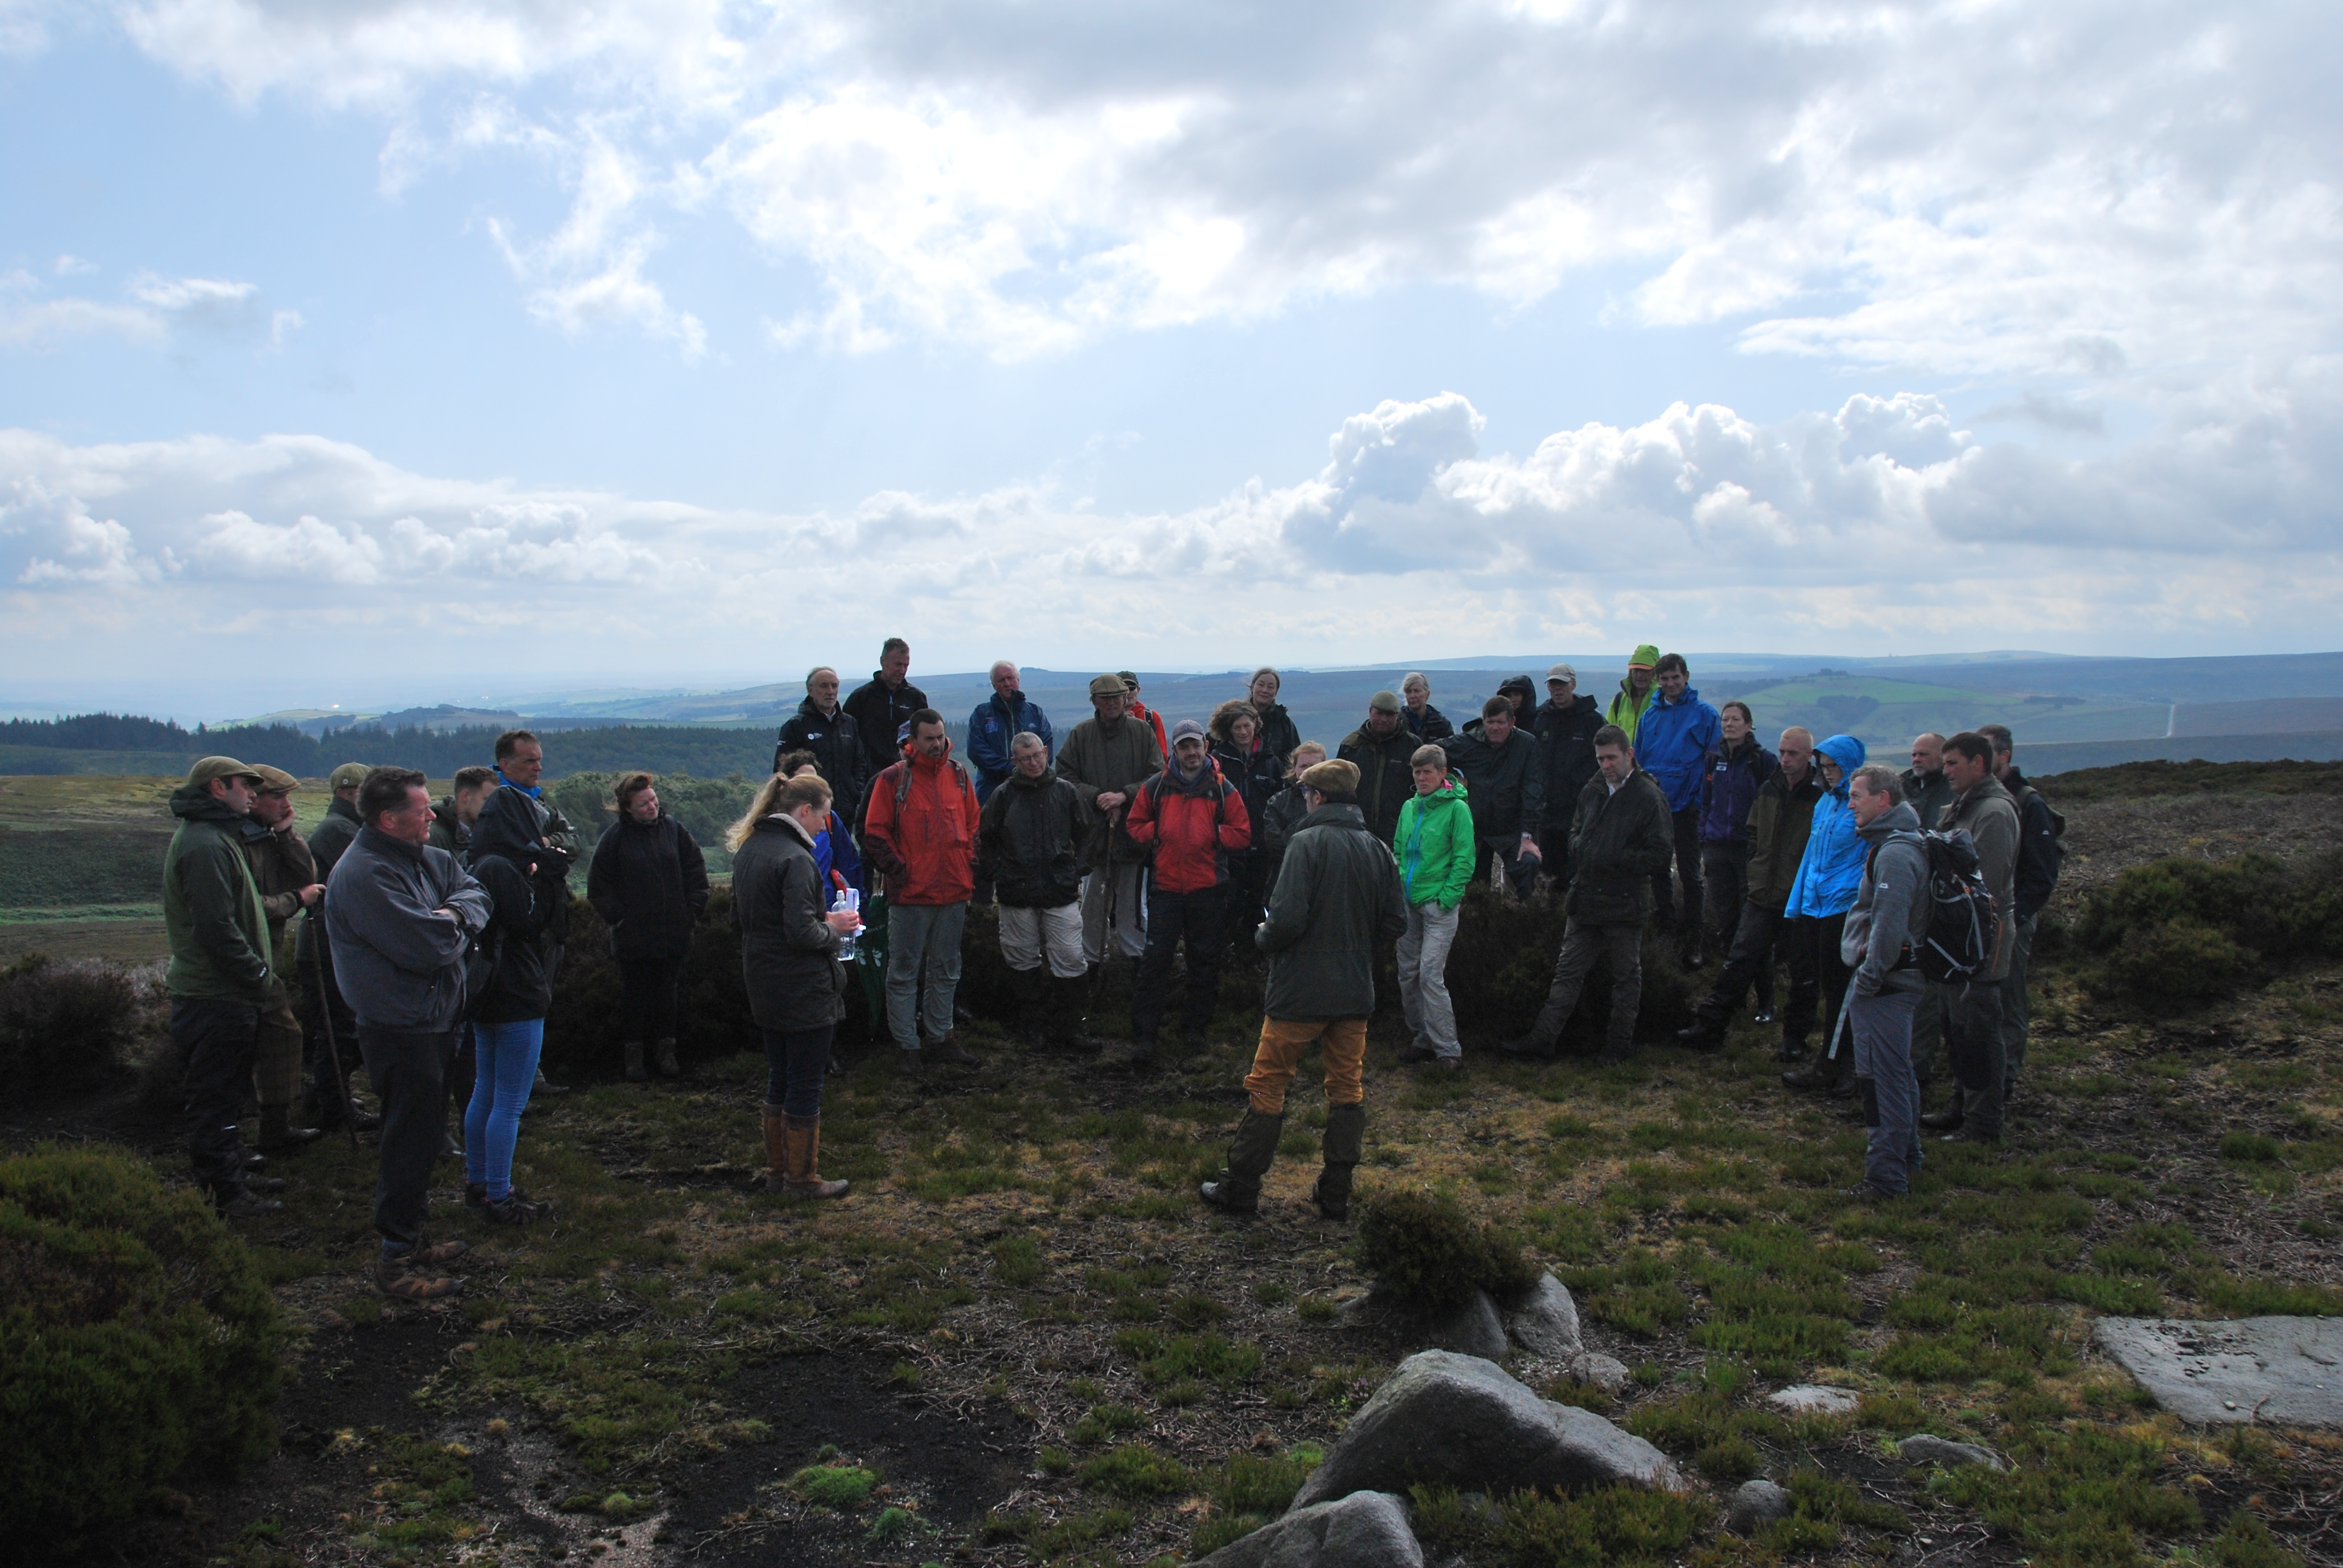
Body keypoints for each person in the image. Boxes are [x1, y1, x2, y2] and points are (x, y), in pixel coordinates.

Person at [1198, 760, 1406, 1220]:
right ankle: (1336, 1195)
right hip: (1354, 990)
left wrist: (1262, 937)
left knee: (1269, 1082)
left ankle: (1242, 1188)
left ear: (1317, 797)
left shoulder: (1305, 843)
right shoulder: (1377, 848)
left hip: (1299, 991)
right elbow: (1396, 921)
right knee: (1347, 1087)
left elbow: (1286, 920)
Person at [326, 766, 490, 1300]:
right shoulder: (368, 875)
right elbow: (429, 948)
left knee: (422, 1137)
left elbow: (474, 891)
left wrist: (455, 915)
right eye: (422, 811)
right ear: (388, 819)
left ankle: (411, 1240)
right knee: (409, 1140)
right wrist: (456, 924)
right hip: (402, 1028)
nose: (432, 817)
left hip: (433, 1021)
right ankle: (395, 1260)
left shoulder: (418, 856)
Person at [1498, 727, 1674, 1065]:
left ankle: (1618, 1047)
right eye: (1601, 759)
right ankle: (1543, 1040)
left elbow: (1660, 854)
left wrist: (1612, 859)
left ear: (1629, 755)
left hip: (1625, 901)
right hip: (1586, 898)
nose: (1606, 765)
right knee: (1567, 971)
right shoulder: (1593, 788)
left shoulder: (1649, 798)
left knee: (1626, 978)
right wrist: (1582, 848)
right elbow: (1576, 829)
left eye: (1611, 758)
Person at [730, 772, 863, 1197]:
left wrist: (816, 921)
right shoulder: (797, 859)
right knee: (806, 1081)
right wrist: (836, 927)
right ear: (805, 811)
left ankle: (776, 1171)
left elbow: (748, 920)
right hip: (802, 986)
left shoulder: (750, 849)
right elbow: (801, 934)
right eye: (824, 817)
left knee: (780, 1077)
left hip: (763, 980)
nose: (826, 826)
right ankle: (802, 1179)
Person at [163, 756, 283, 1218]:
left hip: (226, 995)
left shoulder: (216, 837)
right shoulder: (204, 845)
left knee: (228, 1093)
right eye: (244, 786)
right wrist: (255, 975)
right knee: (213, 1098)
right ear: (218, 788)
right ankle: (225, 1195)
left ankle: (231, 1174)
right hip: (214, 996)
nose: (253, 794)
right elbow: (215, 928)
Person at [459, 785, 566, 1224]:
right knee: (509, 1101)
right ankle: (499, 1196)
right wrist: (547, 878)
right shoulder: (504, 869)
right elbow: (529, 924)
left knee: (486, 1088)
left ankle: (479, 1183)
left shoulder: (480, 861)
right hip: (516, 990)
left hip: (486, 992)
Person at [1677, 728, 1821, 1051]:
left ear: (1809, 756)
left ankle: (1795, 1040)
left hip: (1800, 898)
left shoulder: (1819, 797)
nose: (1785, 759)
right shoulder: (1769, 788)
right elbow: (1754, 832)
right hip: (1763, 892)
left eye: (1793, 753)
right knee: (1738, 959)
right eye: (1783, 752)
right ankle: (1711, 1026)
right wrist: (1757, 869)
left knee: (1803, 973)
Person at [1127, 719, 1252, 1062]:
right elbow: (1134, 824)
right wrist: (1158, 835)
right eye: (1184, 746)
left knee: (1205, 963)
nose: (1191, 752)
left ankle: (1195, 1029)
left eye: (1196, 745)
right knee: (1155, 962)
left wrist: (1212, 836)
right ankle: (1144, 1036)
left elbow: (1242, 833)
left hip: (1208, 889)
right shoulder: (1156, 787)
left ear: (1206, 747)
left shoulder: (1224, 789)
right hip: (1165, 888)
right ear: (1176, 750)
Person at [862, 709, 981, 1070]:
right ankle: (907, 1046)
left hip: (954, 892)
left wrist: (968, 864)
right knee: (903, 971)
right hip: (912, 895)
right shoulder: (892, 780)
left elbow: (974, 826)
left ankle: (940, 1037)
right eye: (928, 738)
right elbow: (875, 833)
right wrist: (902, 871)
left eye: (940, 736)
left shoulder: (959, 776)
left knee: (946, 969)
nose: (936, 744)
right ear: (911, 741)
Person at [1919, 732, 2020, 1143]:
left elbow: (1986, 886)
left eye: (1953, 764)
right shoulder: (1966, 806)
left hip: (1981, 942)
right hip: (1959, 942)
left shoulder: (1993, 812)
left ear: (1979, 763)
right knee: (1957, 1028)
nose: (1946, 772)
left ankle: (1983, 1123)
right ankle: (1962, 1108)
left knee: (1978, 1031)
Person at [586, 771, 712, 1083]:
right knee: (635, 999)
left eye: (653, 799)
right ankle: (634, 1060)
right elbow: (598, 885)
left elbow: (696, 869)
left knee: (667, 996)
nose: (652, 807)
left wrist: (692, 910)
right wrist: (618, 918)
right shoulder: (614, 839)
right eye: (643, 804)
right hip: (634, 938)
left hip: (673, 934)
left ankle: (666, 1055)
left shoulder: (674, 830)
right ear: (627, 808)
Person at [1841, 765, 1930, 1199]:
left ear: (1885, 801)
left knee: (1882, 1079)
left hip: (1889, 984)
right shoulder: (1901, 846)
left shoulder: (1895, 853)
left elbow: (1889, 930)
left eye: (1857, 795)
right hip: (1896, 981)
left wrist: (1869, 979)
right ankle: (1908, 1157)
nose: (1851, 803)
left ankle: (1885, 1179)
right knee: (1897, 1073)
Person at [976, 731, 1092, 1045]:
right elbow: (985, 840)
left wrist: (1077, 870)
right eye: (1025, 758)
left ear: (1046, 752)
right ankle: (1032, 1024)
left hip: (1060, 890)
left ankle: (1071, 1026)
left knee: (1069, 956)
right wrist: (998, 873)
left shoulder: (1066, 792)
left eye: (1037, 755)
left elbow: (1086, 835)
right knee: (1021, 956)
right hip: (1017, 892)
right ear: (1015, 761)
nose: (1033, 763)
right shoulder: (1003, 796)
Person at [240, 765, 326, 1157]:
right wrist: (295, 902)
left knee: (283, 1037)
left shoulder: (265, 837)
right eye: (280, 798)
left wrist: (287, 833)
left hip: (263, 960)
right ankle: (243, 1140)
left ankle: (274, 1129)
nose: (287, 805)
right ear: (254, 799)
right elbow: (248, 907)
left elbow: (305, 875)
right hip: (241, 964)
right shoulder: (235, 842)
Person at [1778, 735, 1870, 1097]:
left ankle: (1845, 1067)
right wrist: (1797, 903)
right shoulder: (1825, 804)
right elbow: (1811, 857)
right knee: (1827, 987)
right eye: (1825, 766)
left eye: (1835, 766)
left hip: (1845, 906)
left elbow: (1869, 858)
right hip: (1816, 905)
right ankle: (1830, 1062)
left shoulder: (1859, 804)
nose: (1829, 773)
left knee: (1843, 991)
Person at [492, 729, 579, 1099]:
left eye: (539, 759)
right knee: (516, 1007)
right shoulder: (498, 804)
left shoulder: (539, 801)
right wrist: (544, 848)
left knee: (538, 1000)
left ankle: (528, 1077)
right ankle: (515, 1086)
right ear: (505, 764)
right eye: (530, 761)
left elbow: (573, 842)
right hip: (515, 929)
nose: (538, 767)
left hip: (547, 922)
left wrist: (545, 843)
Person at [1057, 673, 1164, 967]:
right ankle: (1091, 961)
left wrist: (1124, 796)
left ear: (1126, 697)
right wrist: (1097, 797)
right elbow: (1064, 776)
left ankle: (1135, 961)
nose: (1112, 703)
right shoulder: (1082, 734)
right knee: (1092, 902)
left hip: (1134, 831)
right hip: (1093, 834)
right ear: (1095, 702)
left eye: (1117, 696)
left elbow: (1157, 775)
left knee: (1132, 905)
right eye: (1105, 699)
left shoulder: (1142, 733)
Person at [1981, 724, 2063, 1102]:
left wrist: (2016, 917)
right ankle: (1981, 1077)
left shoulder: (2028, 802)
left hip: (2012, 920)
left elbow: (2042, 874)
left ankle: (2005, 1080)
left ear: (2005, 756)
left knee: (2009, 998)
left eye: (1986, 753)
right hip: (1980, 918)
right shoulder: (1979, 798)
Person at [298, 760, 375, 1133]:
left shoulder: (346, 826)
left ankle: (325, 1095)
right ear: (350, 793)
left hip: (333, 941)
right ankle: (335, 1107)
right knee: (338, 1030)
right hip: (327, 945)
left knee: (340, 1028)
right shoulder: (339, 831)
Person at [1634, 653, 1722, 961]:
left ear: (1686, 677)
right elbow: (1640, 761)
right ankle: (1667, 930)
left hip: (1689, 807)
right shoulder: (1649, 717)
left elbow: (1714, 763)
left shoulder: (1705, 715)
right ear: (1658, 681)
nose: (1671, 684)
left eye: (1676, 677)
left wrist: (1700, 801)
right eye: (1665, 678)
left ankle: (1694, 939)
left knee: (1690, 875)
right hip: (1657, 807)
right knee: (1658, 871)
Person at [1394, 745, 1475, 1069]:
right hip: (1409, 903)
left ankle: (1448, 1050)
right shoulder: (1409, 807)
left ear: (1444, 774)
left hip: (1438, 907)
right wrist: (1399, 885)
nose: (1422, 777)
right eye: (1417, 772)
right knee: (1408, 974)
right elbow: (1399, 848)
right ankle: (1422, 1038)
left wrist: (1448, 898)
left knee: (1429, 975)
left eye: (1428, 771)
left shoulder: (1457, 810)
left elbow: (1464, 858)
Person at [1696, 702, 1777, 969]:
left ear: (1749, 724)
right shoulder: (1713, 758)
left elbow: (1773, 804)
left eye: (1735, 719)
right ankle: (1731, 984)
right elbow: (1706, 801)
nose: (1729, 724)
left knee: (1751, 922)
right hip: (1717, 847)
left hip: (1747, 849)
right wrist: (1705, 833)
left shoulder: (1762, 760)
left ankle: (1762, 992)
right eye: (1725, 720)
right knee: (1726, 920)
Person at [1438, 695, 1544, 899]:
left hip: (1512, 828)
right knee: (1473, 888)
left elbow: (1534, 790)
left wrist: (1528, 836)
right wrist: (1453, 779)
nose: (1495, 728)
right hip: (1476, 827)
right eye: (1490, 722)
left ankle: (1527, 922)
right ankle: (1476, 926)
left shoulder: (1526, 745)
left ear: (1512, 723)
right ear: (1483, 721)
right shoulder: (1469, 742)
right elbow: (1433, 753)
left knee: (1528, 866)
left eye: (1501, 722)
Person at [1898, 731, 1954, 1089]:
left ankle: (1918, 1067)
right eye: (1914, 753)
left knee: (1929, 988)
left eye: (1925, 754)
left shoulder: (1950, 793)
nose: (1917, 759)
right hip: (1904, 894)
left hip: (1938, 901)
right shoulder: (1904, 786)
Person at [1209, 699, 1285, 956]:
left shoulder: (1271, 761)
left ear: (1256, 725)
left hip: (1262, 847)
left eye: (1247, 725)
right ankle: (1224, 957)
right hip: (1228, 847)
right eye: (1237, 727)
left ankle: (1253, 957)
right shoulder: (1217, 761)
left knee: (1259, 904)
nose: (1243, 732)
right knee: (1228, 904)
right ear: (1227, 730)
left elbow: (1279, 804)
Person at [1533, 664, 1602, 885]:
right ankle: (1554, 918)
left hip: (1580, 812)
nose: (1558, 689)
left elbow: (1605, 760)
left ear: (1573, 684)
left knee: (1578, 870)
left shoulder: (1592, 720)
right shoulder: (1541, 719)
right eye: (1553, 684)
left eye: (1562, 684)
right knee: (1550, 874)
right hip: (1547, 812)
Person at [775, 665, 867, 829]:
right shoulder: (796, 726)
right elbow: (782, 770)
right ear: (811, 690)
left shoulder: (849, 724)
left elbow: (859, 762)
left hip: (845, 811)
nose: (830, 691)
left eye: (834, 686)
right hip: (810, 813)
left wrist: (856, 792)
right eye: (824, 686)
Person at [1337, 690, 1420, 845]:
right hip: (1356, 832)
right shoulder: (1351, 746)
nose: (1383, 719)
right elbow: (1337, 790)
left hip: (1400, 834)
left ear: (1398, 716)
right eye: (1379, 713)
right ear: (1370, 711)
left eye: (1390, 715)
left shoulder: (1413, 747)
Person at [844, 638, 929, 784]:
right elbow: (847, 740)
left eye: (906, 665)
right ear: (883, 661)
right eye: (897, 664)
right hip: (869, 779)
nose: (902, 671)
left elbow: (926, 737)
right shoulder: (861, 697)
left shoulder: (916, 698)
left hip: (907, 776)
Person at [777, 751, 865, 892]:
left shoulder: (830, 820)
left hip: (830, 905)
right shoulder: (774, 823)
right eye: (804, 779)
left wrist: (857, 907)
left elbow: (850, 866)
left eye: (814, 779)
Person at [967, 660, 1051, 805]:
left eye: (1011, 678)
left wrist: (1027, 772)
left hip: (1033, 789)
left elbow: (1046, 747)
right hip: (992, 791)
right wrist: (1010, 770)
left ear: (1018, 680)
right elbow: (977, 751)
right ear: (994, 685)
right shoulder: (982, 714)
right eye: (1001, 680)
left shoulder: (1035, 713)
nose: (1007, 684)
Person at [1258, 740, 1328, 893]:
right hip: (1285, 878)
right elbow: (1273, 843)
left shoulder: (1333, 801)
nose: (1308, 771)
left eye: (1314, 766)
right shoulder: (1278, 802)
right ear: (1294, 768)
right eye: (1303, 766)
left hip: (1325, 879)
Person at [428, 766, 498, 855]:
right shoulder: (434, 838)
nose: (493, 806)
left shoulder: (491, 835)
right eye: (487, 800)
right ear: (466, 797)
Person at [1245, 667, 1303, 766]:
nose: (1265, 690)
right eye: (1261, 685)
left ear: (1276, 692)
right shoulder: (1235, 717)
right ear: (1252, 687)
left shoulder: (1284, 723)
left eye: (1271, 687)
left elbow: (1295, 759)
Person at [1606, 644, 1661, 740]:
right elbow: (1608, 735)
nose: (1640, 675)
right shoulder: (1619, 701)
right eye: (1636, 670)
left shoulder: (1663, 701)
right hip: (1623, 755)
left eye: (1645, 671)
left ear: (1655, 672)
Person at [1901, 733, 1953, 829]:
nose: (1917, 759)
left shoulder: (1955, 788)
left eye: (1923, 754)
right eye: (1914, 755)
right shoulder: (1900, 788)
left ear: (1943, 756)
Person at [1121, 671, 1170, 760]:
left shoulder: (1152, 718)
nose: (1128, 693)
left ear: (1138, 690)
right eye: (1124, 689)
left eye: (1132, 688)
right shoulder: (1106, 721)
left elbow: (1162, 756)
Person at [1399, 672, 1453, 742]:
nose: (1412, 696)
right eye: (1409, 692)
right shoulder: (1397, 722)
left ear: (1428, 694)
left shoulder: (1441, 725)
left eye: (1417, 691)